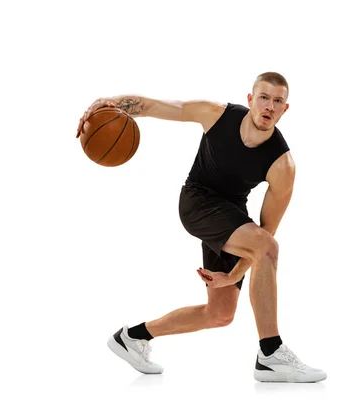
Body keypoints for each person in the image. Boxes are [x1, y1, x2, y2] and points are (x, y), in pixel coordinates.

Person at [77, 72, 326, 383]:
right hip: (196, 202)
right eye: (264, 97)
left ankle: (132, 337)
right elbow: (158, 106)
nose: (269, 106)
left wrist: (234, 274)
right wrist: (108, 103)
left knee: (220, 314)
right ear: (250, 100)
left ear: (285, 109)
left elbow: (266, 235)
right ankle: (271, 353)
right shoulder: (216, 114)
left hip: (233, 216)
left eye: (277, 101)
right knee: (265, 248)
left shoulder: (282, 165)